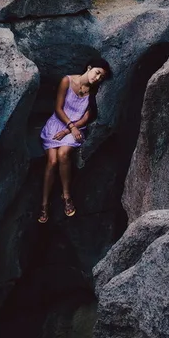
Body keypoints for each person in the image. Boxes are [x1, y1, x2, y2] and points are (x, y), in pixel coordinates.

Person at [38, 58, 112, 222]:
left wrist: (70, 129)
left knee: (63, 154)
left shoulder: (94, 92)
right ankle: (44, 204)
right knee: (52, 161)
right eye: (97, 73)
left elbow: (86, 117)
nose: (98, 78)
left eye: (101, 77)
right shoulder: (67, 80)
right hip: (58, 123)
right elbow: (58, 108)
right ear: (89, 67)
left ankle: (66, 196)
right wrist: (68, 126)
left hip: (75, 128)